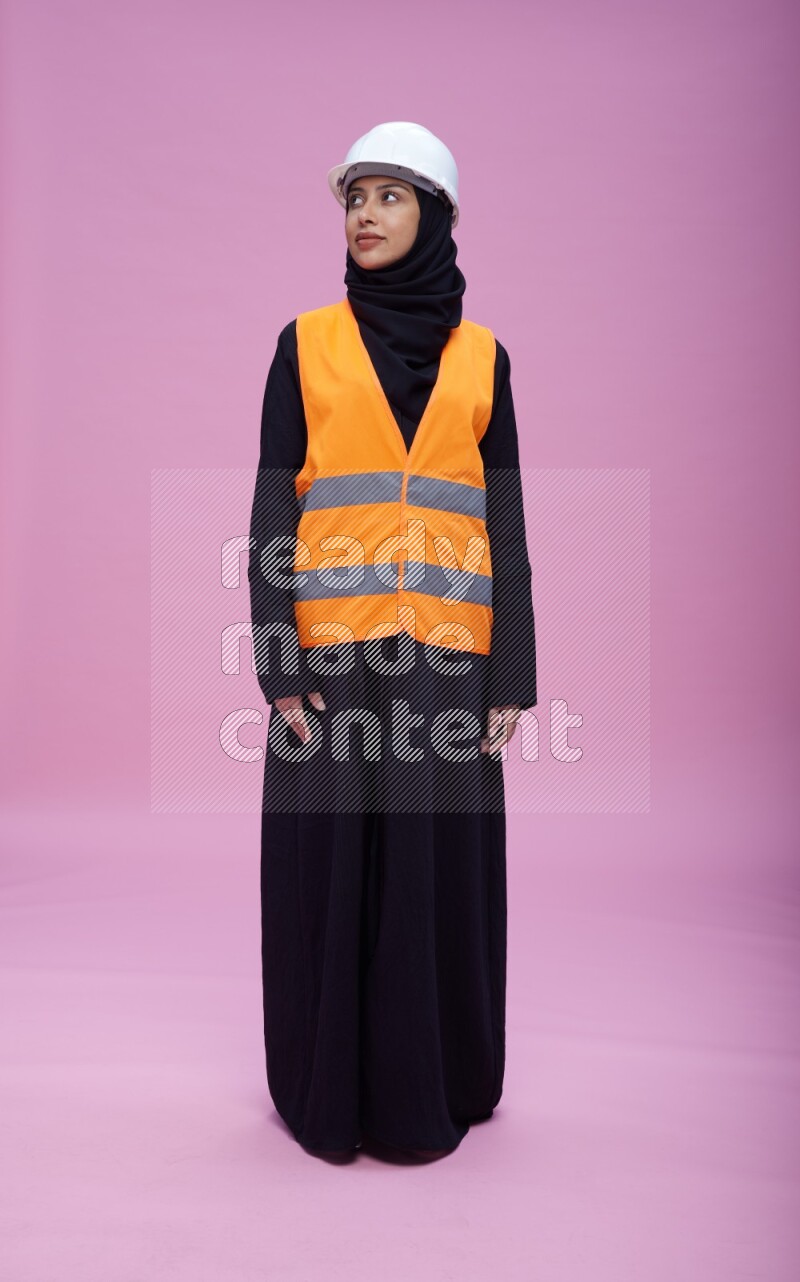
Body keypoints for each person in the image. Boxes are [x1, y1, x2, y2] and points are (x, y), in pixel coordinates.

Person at [248, 121, 537, 1159]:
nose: (364, 215)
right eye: (353, 198)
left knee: (428, 873)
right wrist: (276, 661)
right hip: (330, 666)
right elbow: (272, 512)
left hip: (449, 668)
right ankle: (328, 1092)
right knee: (330, 869)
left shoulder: (483, 360)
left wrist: (513, 673)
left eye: (388, 197)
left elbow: (502, 524)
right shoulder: (305, 344)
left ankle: (435, 1085)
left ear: (435, 217)